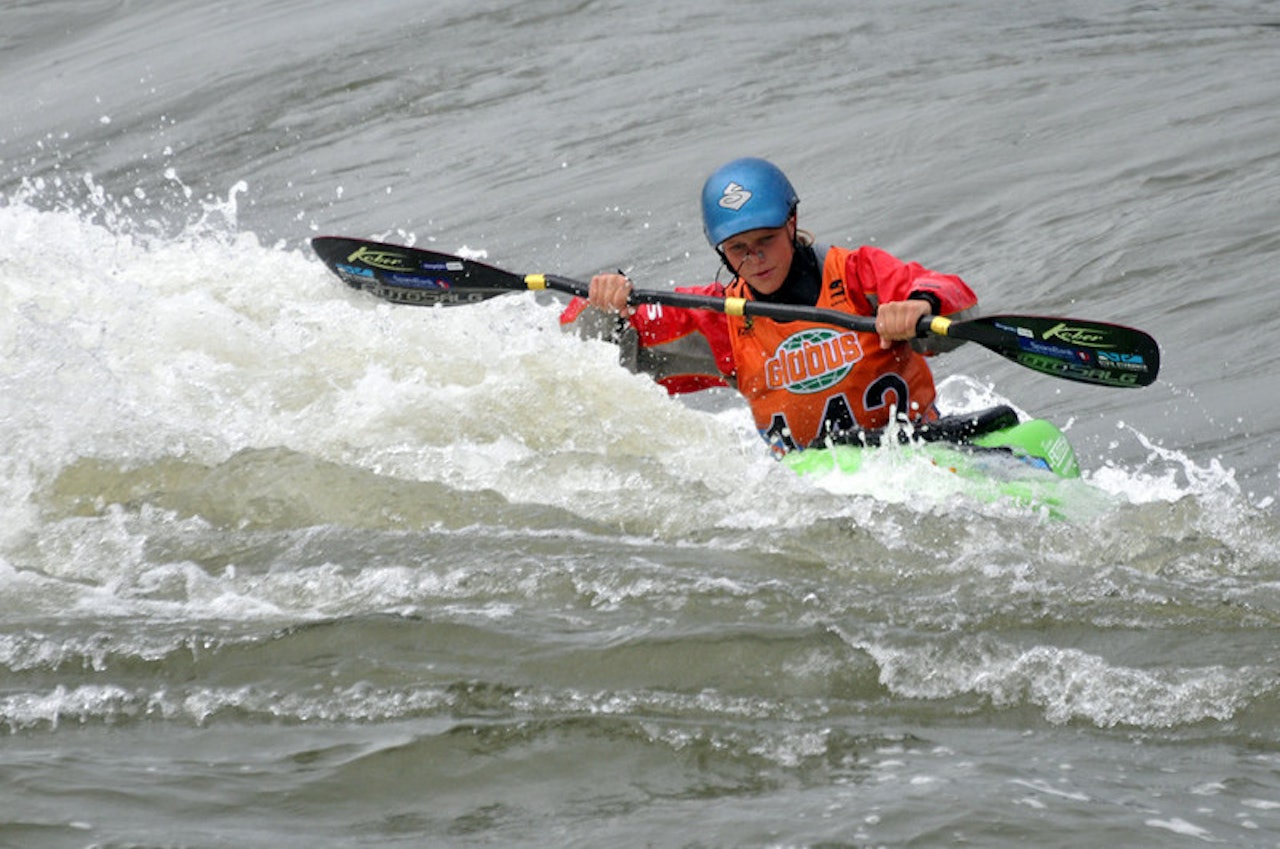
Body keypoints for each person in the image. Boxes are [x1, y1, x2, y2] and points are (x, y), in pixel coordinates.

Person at [559, 157, 981, 455]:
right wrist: (604, 303)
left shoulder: (858, 275)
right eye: (738, 249)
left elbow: (950, 292)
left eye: (765, 241)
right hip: (811, 483)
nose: (754, 259)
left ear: (791, 223)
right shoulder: (720, 319)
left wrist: (917, 305)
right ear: (721, 251)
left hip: (916, 452)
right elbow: (588, 357)